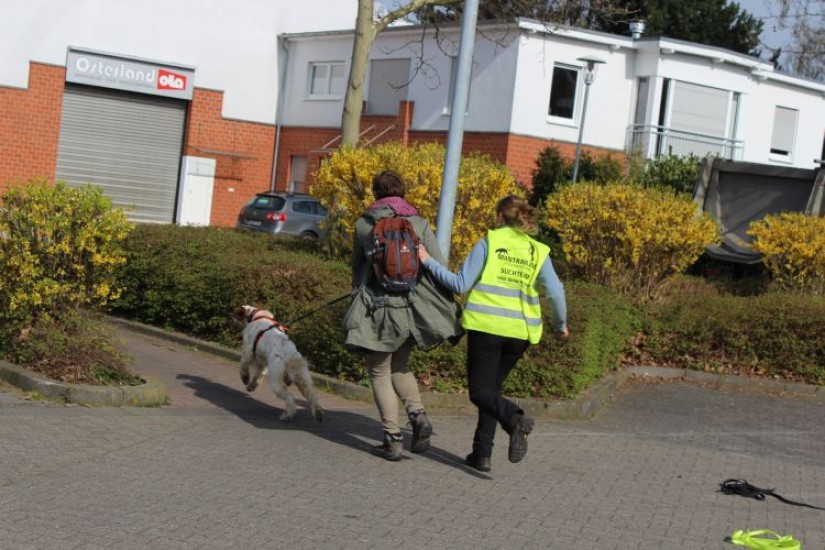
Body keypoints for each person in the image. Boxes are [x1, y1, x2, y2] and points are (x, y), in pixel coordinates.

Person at [418, 195, 568, 472]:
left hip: (487, 327)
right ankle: (482, 453)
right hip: (520, 333)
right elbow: (556, 292)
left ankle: (514, 418)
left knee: (479, 392)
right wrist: (561, 324)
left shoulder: (490, 242)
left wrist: (427, 261)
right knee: (492, 390)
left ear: (500, 217)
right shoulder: (537, 250)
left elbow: (460, 284)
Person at [343, 170, 463, 461]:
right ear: (403, 192)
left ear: (375, 193)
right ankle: (418, 416)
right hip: (412, 310)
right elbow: (437, 264)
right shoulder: (418, 223)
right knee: (400, 364)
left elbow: (358, 269)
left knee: (379, 371)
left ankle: (393, 439)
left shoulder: (364, 224)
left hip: (378, 309)